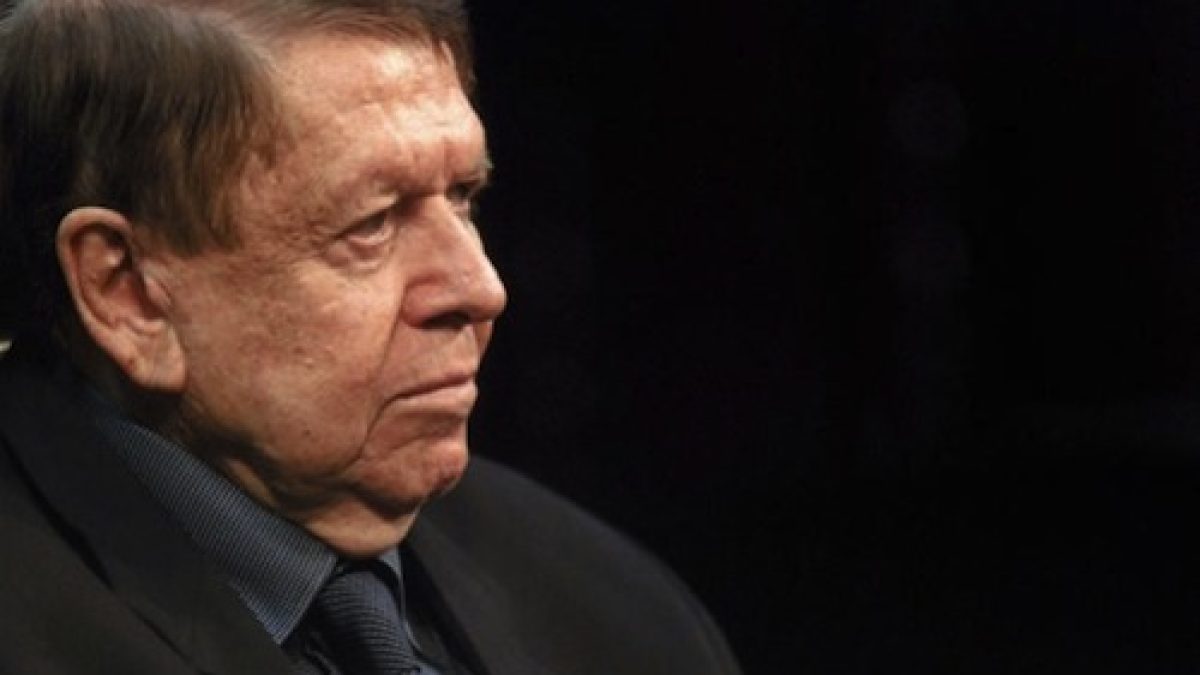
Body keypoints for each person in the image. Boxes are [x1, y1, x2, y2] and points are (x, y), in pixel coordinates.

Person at [0, 1, 743, 673]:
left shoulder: (613, 605)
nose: (481, 288)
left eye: (463, 196)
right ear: (128, 291)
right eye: (372, 224)